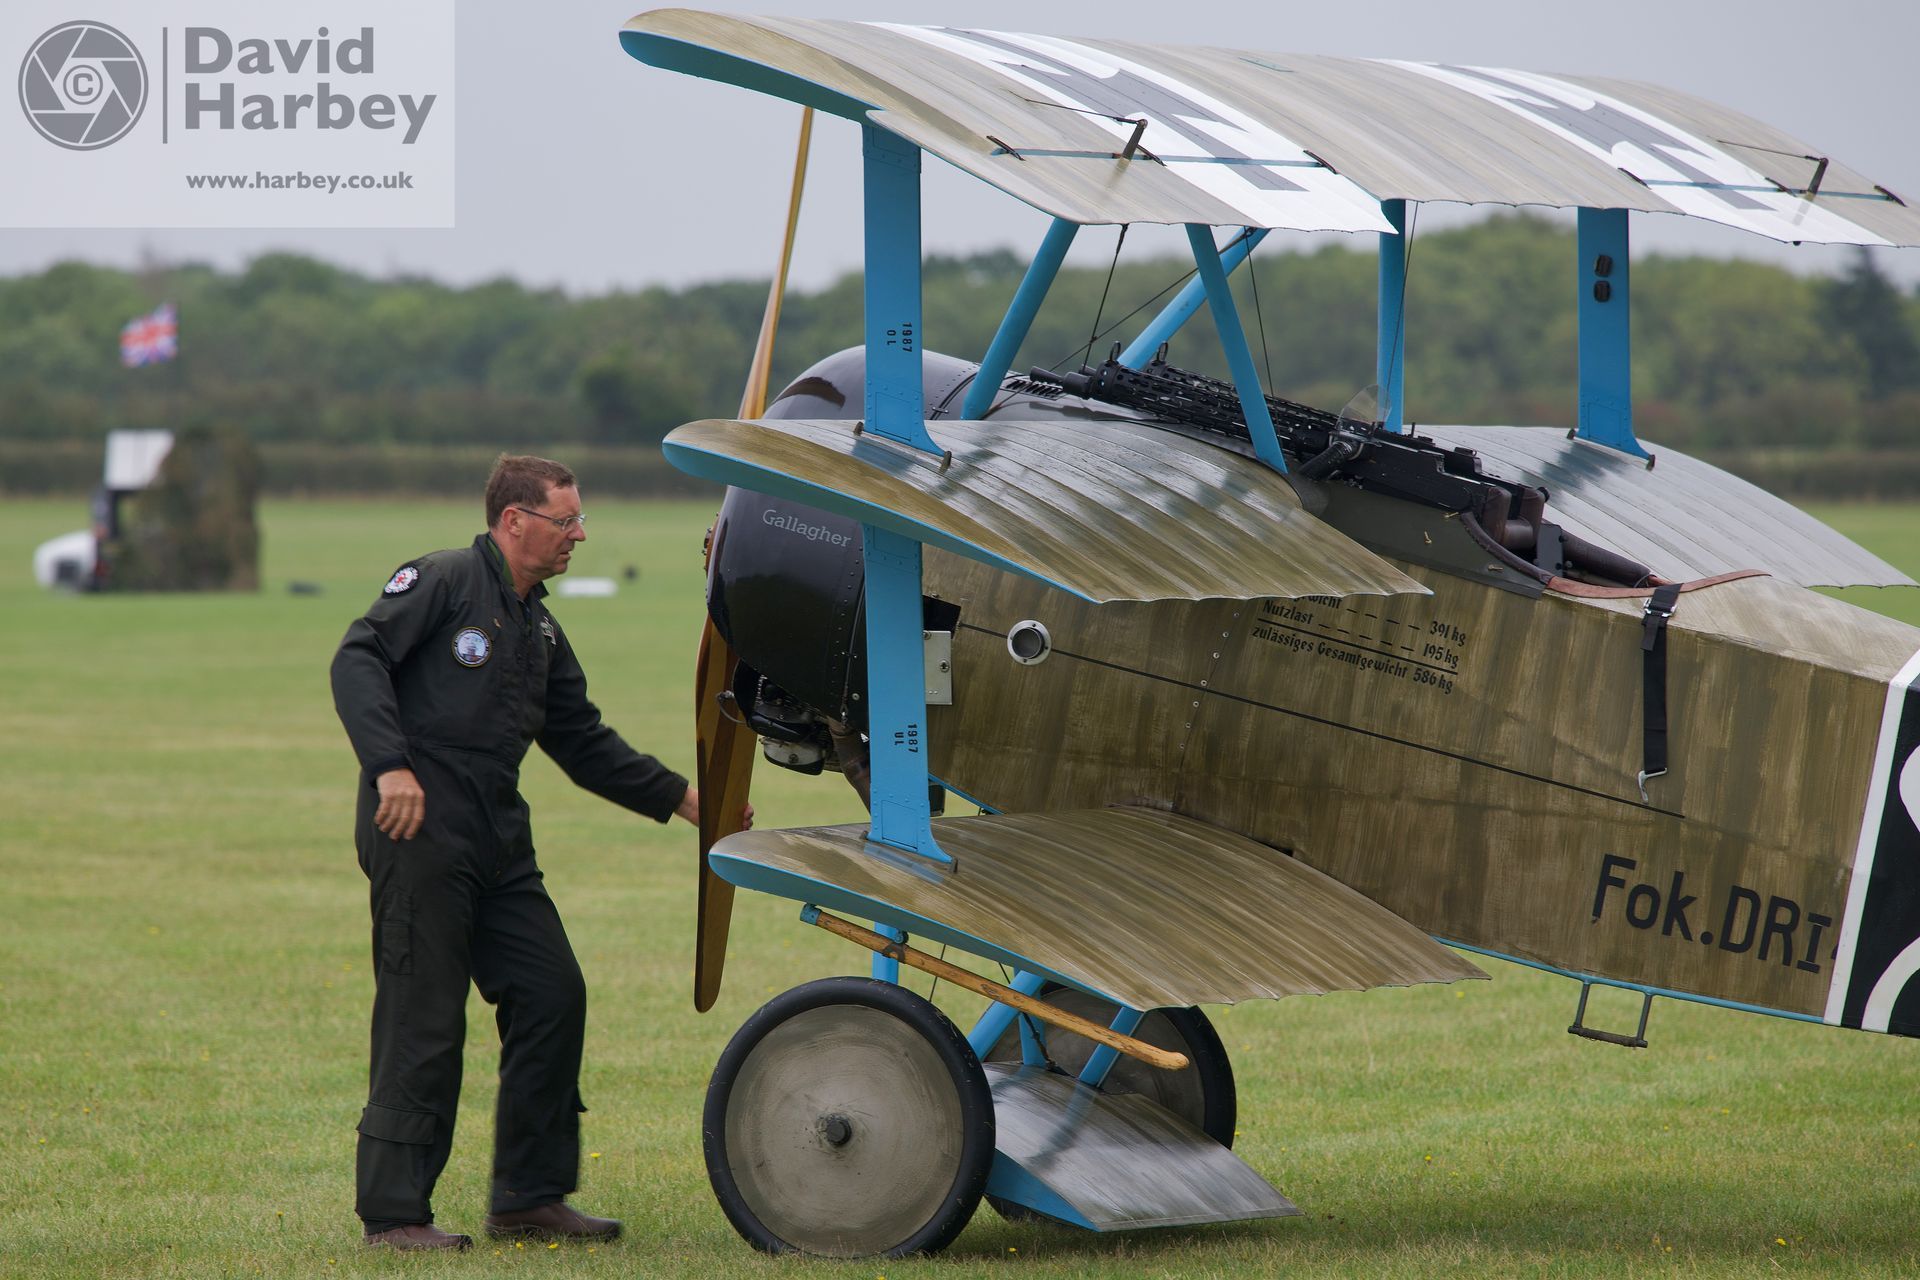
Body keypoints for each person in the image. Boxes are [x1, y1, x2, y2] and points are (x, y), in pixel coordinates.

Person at [330, 454, 746, 1251]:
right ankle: (394, 1215)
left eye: (580, 520)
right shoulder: (444, 581)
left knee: (553, 992)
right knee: (425, 1018)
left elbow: (581, 741)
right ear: (514, 521)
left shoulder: (540, 626)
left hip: (498, 844)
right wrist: (389, 767)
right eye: (566, 521)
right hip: (417, 833)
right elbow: (358, 658)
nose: (579, 535)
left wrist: (685, 799)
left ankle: (528, 1198)